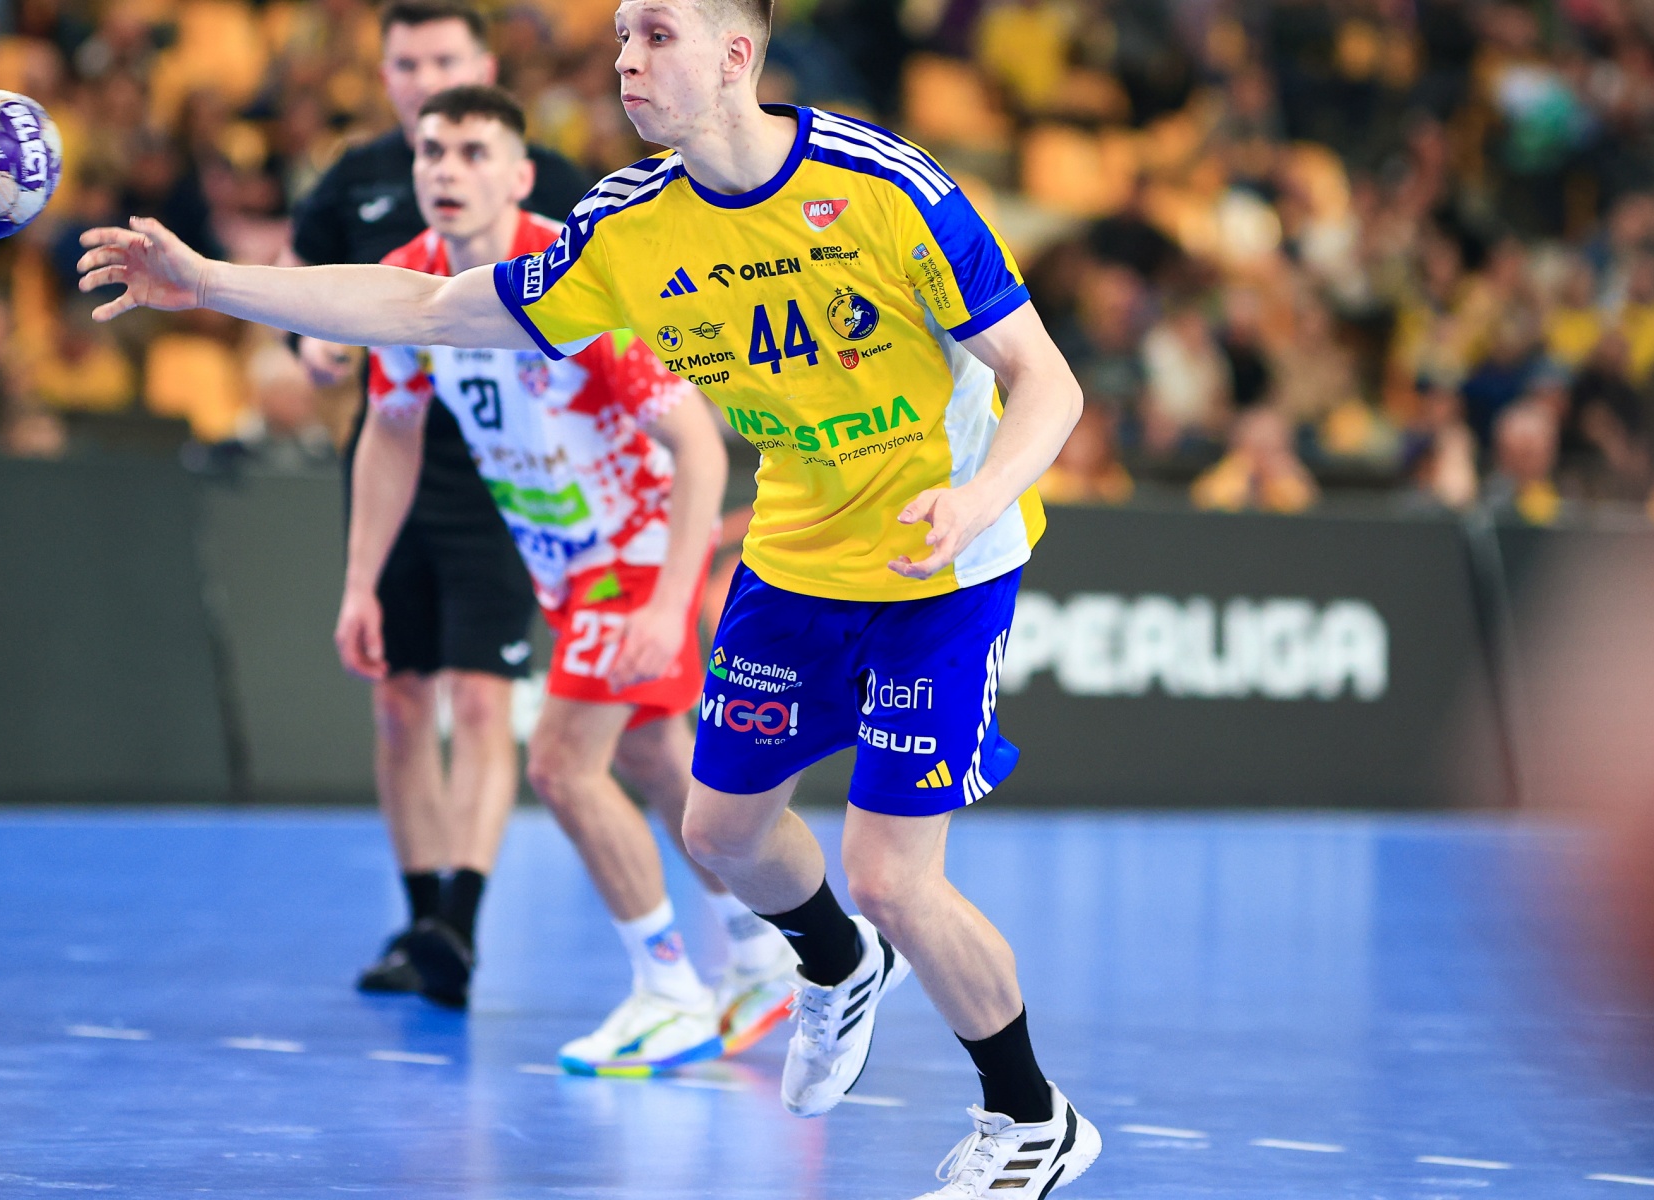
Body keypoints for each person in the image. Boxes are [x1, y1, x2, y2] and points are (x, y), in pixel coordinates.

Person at [78, 0, 1100, 1189]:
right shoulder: (624, 227)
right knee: (719, 832)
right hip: (796, 554)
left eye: (655, 34)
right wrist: (210, 282)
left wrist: (975, 500)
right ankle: (834, 963)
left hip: (945, 564)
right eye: (620, 36)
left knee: (888, 876)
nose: (625, 59)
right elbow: (426, 308)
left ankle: (1031, 1117)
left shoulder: (884, 187)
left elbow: (1048, 382)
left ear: (736, 54)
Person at [343, 85, 798, 1073]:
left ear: (518, 176)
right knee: (657, 758)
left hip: (633, 550)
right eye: (431, 152)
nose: (447, 171)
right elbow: (391, 429)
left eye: (473, 153)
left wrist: (671, 603)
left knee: (558, 764)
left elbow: (697, 446)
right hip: (563, 561)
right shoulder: (413, 282)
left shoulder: (573, 281)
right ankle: (770, 950)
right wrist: (360, 582)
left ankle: (670, 991)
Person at [285, 0, 595, 1008]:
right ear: (384, 75)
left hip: (512, 469)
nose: (425, 78)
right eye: (407, 64)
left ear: (486, 64)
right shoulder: (357, 181)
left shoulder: (546, 181)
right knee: (399, 698)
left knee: (482, 695)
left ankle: (459, 921)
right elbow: (301, 290)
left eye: (444, 59)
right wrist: (310, 344)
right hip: (398, 440)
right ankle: (420, 919)